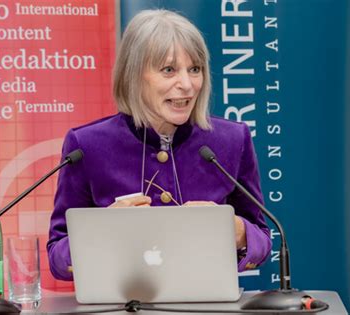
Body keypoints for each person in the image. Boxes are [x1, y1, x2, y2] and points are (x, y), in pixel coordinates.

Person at [47, 9, 272, 281]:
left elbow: (261, 239)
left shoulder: (231, 140)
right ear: (134, 75)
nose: (187, 85)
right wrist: (104, 230)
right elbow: (58, 258)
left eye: (195, 69)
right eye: (169, 70)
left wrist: (236, 230)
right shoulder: (86, 145)